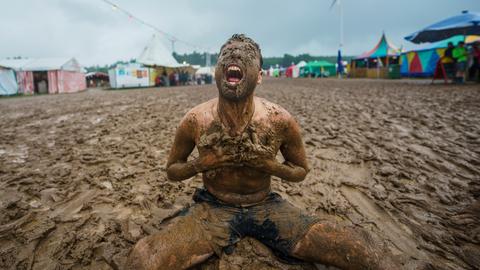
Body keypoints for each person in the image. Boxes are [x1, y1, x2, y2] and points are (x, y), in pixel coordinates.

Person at [126, 34, 401, 270]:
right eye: (227, 52)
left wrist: (269, 165)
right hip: (214, 208)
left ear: (259, 77)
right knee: (143, 260)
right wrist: (201, 164)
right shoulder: (196, 119)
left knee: (361, 252)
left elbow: (300, 171)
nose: (234, 53)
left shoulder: (278, 120)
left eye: (246, 53)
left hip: (266, 206)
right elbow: (172, 170)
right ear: (217, 72)